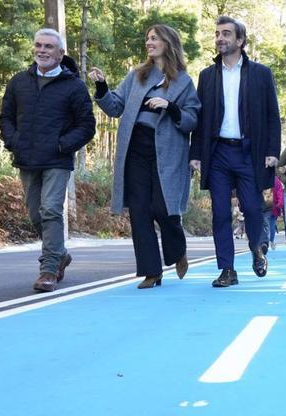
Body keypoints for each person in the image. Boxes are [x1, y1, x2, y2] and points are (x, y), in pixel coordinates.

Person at [89, 24, 200, 289]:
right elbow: (115, 107)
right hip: (135, 147)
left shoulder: (184, 81)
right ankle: (151, 271)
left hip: (167, 151)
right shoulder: (137, 75)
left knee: (163, 208)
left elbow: (192, 119)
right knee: (139, 210)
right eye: (147, 39)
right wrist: (102, 86)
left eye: (154, 39)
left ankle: (177, 250)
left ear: (168, 44)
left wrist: (170, 107)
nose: (149, 43)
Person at [0, 28, 96, 292]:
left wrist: (61, 145)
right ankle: (60, 254)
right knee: (35, 214)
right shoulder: (19, 82)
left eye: (48, 47)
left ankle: (49, 270)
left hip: (57, 160)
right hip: (26, 158)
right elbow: (6, 117)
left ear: (60, 53)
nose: (42, 50)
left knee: (51, 210)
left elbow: (86, 126)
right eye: (39, 45)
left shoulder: (74, 86)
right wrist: (14, 141)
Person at [190, 16, 281, 288]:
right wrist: (196, 153)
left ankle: (257, 247)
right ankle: (227, 269)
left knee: (252, 208)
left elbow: (272, 115)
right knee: (220, 212)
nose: (220, 38)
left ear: (240, 40)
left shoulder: (261, 74)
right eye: (217, 33)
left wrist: (272, 150)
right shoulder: (207, 76)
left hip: (248, 152)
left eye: (226, 34)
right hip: (217, 152)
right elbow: (200, 119)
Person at [260, 176, 284, 252]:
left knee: (272, 225)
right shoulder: (261, 178)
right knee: (266, 222)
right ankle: (266, 241)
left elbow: (280, 192)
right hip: (265, 206)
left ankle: (271, 240)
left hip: (274, 207)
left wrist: (280, 203)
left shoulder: (276, 180)